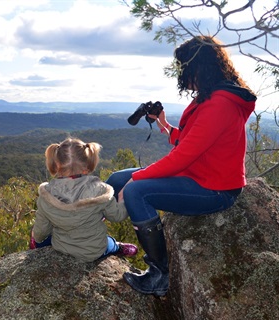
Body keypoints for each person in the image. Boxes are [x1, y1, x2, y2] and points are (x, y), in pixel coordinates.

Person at [106, 35, 256, 296]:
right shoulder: (210, 96)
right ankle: (92, 240)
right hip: (197, 176)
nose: (181, 74)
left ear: (198, 66)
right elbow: (191, 141)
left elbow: (182, 157)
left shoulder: (220, 103)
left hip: (215, 190)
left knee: (133, 189)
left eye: (184, 67)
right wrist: (164, 124)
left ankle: (159, 275)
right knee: (117, 178)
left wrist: (138, 178)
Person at [30, 137, 138, 262]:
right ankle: (117, 247)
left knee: (42, 237)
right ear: (86, 166)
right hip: (95, 250)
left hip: (62, 248)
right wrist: (122, 198)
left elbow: (40, 233)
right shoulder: (101, 190)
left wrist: (35, 238)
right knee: (109, 243)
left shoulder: (46, 195)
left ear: (57, 164)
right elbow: (117, 216)